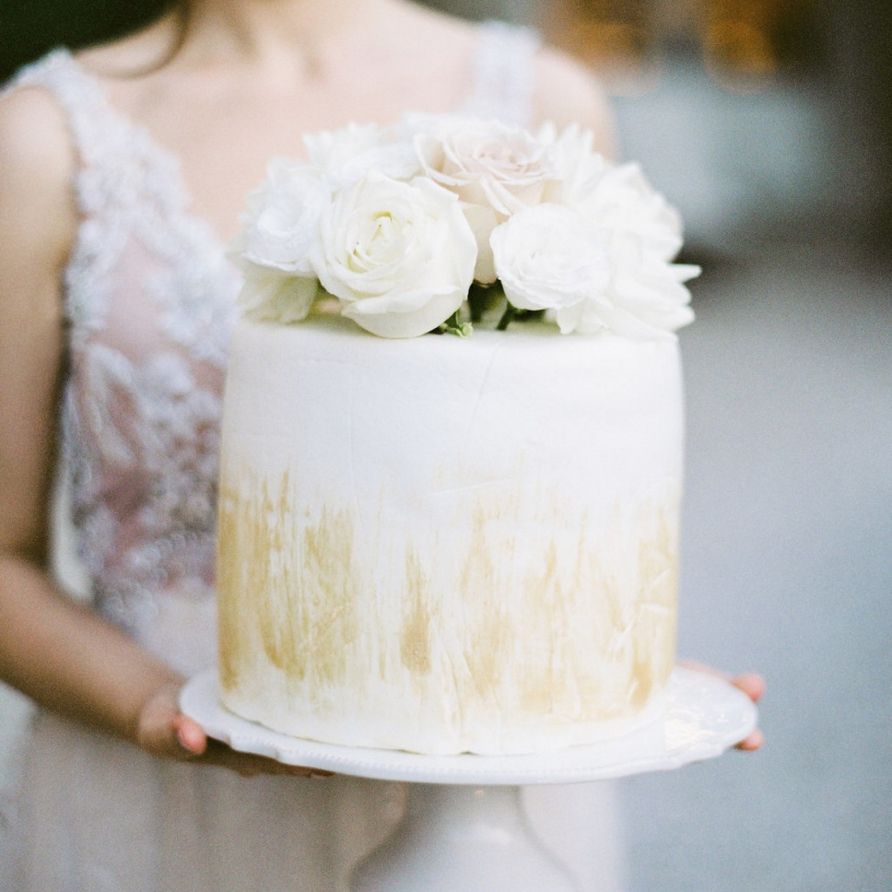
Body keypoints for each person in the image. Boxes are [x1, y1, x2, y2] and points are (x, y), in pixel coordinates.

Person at [0, 1, 764, 888]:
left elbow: (563, 454)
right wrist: (151, 704)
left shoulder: (542, 110)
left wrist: (600, 672)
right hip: (160, 801)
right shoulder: (40, 140)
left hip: (488, 799)